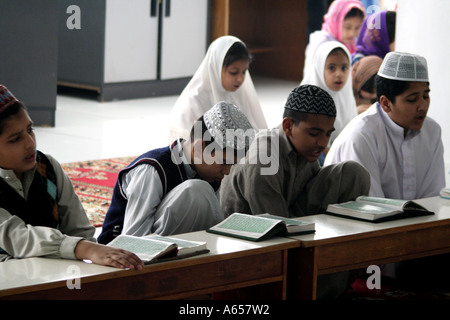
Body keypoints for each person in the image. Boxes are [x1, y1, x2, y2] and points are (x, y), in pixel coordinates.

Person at [220, 84, 370, 299]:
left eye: (328, 134)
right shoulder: (263, 158)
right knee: (328, 276)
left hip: (290, 220)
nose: (322, 142)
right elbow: (277, 229)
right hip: (255, 238)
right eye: (314, 133)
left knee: (353, 173)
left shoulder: (305, 148)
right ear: (288, 126)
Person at [0, 85, 143, 269]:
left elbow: (80, 230)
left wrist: (93, 260)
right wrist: (85, 249)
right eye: (15, 139)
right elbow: (17, 237)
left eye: (30, 130)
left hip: (51, 272)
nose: (30, 143)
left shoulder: (48, 167)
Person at [98, 101, 255, 245]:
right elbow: (133, 240)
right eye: (224, 162)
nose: (227, 171)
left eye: (232, 165)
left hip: (169, 251)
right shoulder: (152, 170)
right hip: (120, 256)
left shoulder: (210, 172)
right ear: (200, 148)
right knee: (196, 191)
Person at [324, 52, 445, 200]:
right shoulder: (361, 136)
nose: (422, 106)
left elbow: (433, 198)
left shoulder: (431, 131)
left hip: (409, 222)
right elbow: (371, 207)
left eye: (425, 96)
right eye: (412, 99)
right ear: (386, 104)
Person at [169, 35, 267, 141]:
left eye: (244, 72)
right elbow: (186, 148)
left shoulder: (239, 94)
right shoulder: (192, 102)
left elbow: (254, 131)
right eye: (233, 72)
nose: (240, 79)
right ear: (216, 67)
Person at [302, 41, 357, 148]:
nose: (339, 74)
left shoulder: (346, 96)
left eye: (344, 68)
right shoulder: (307, 99)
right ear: (320, 69)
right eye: (332, 68)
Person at [303, 0, 365, 78]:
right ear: (335, 21)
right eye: (347, 27)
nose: (352, 33)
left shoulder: (353, 43)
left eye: (357, 28)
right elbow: (312, 75)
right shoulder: (322, 42)